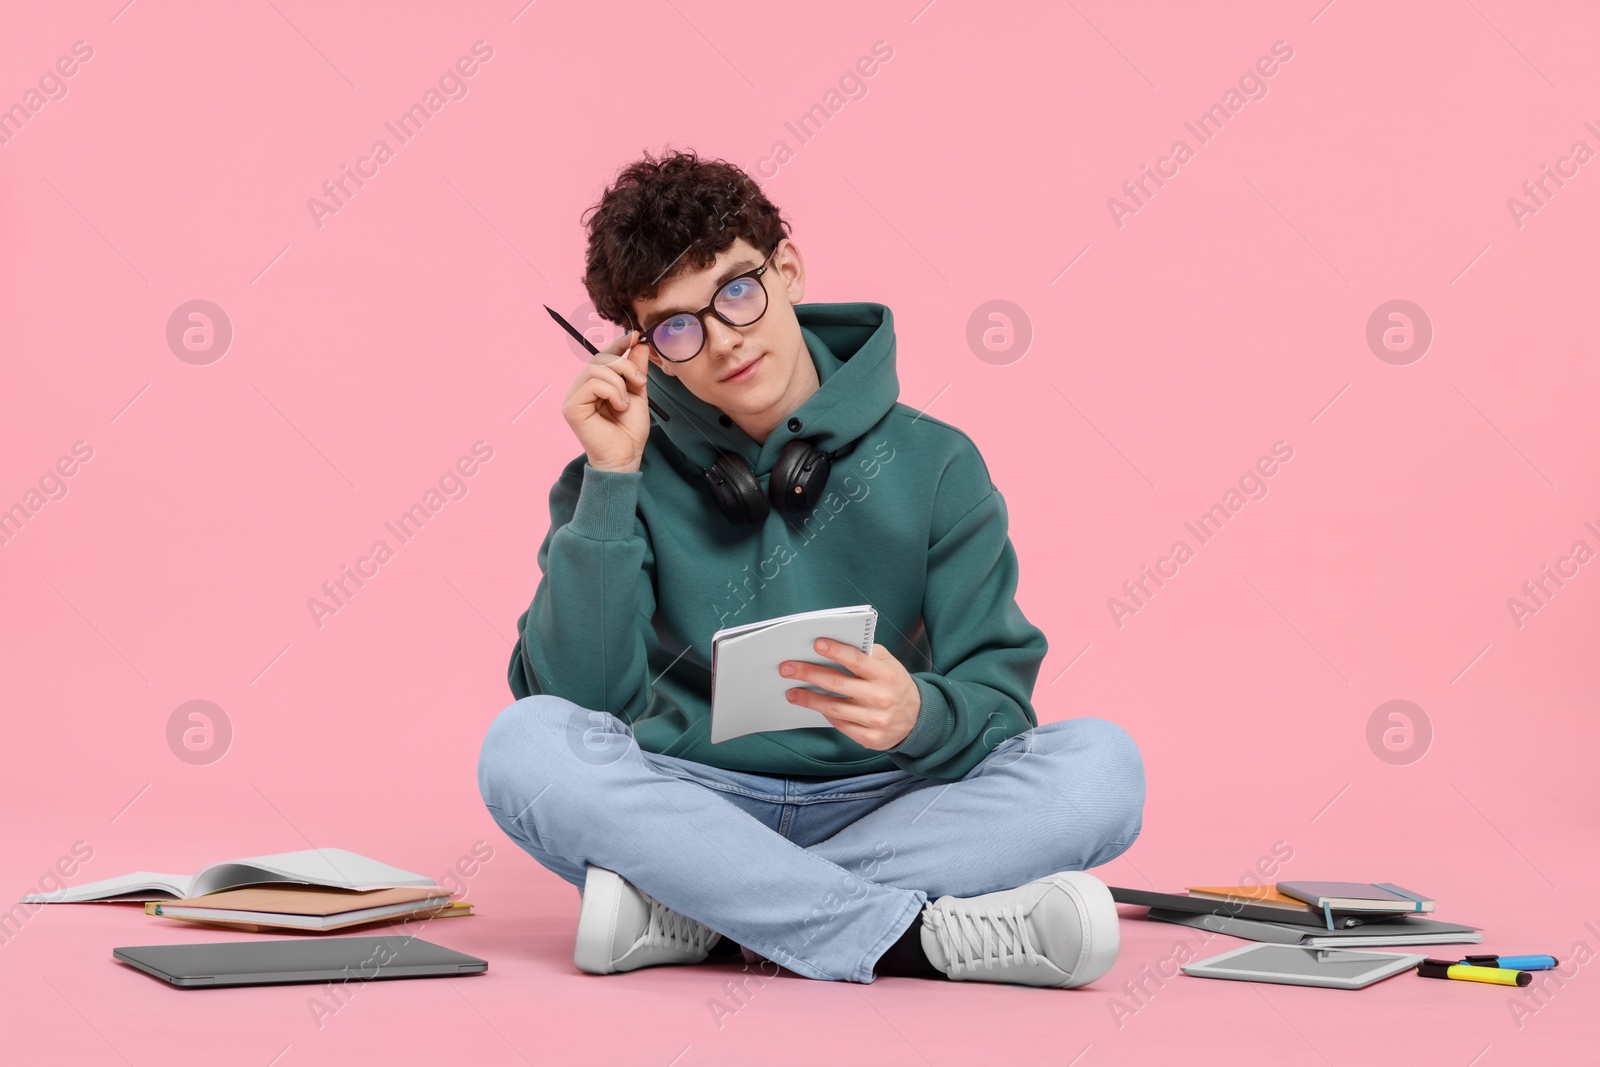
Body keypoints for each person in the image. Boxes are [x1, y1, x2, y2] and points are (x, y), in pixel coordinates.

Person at [477, 148, 1145, 987]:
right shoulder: (614, 473)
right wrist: (611, 481)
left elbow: (1000, 709)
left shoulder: (938, 463)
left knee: (1102, 769)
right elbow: (579, 706)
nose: (723, 343)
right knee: (521, 746)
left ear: (786, 270)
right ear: (646, 350)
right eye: (679, 327)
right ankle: (911, 938)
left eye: (736, 293)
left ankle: (704, 911)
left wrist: (918, 715)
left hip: (888, 800)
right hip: (690, 802)